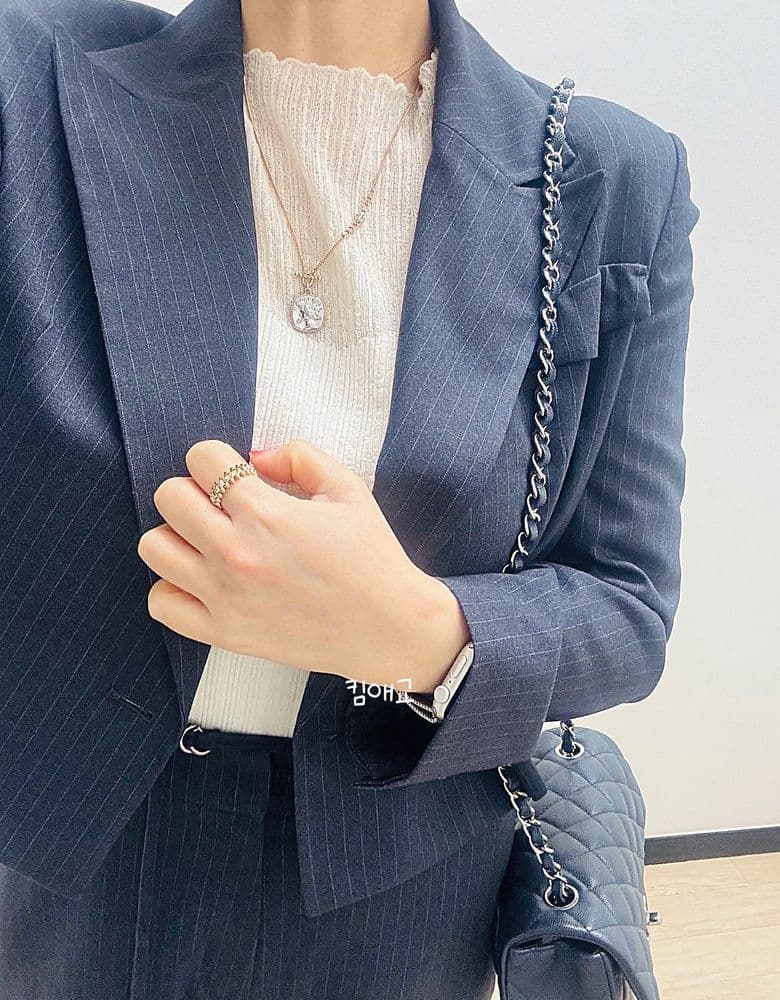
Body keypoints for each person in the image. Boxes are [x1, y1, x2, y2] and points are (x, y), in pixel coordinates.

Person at [0, 0, 700, 997]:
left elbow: (626, 607)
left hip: (402, 883)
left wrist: (410, 628)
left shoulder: (608, 178)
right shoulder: (34, 76)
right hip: (69, 861)